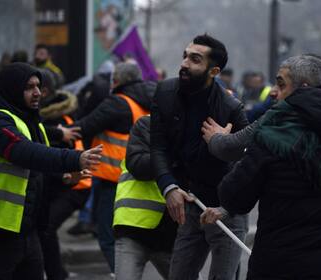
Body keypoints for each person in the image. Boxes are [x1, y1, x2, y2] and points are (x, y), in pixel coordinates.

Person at [200, 55, 321, 279]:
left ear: (303, 89)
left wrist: (219, 141)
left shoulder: (272, 135)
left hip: (279, 264)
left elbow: (234, 196)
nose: (273, 92)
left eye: (280, 84)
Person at [0, 62, 102, 280]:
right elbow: (24, 152)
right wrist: (74, 159)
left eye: (38, 86)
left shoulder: (31, 123)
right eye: (29, 87)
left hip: (27, 230)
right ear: (12, 88)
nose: (38, 92)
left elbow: (38, 171)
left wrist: (65, 178)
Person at [150, 34, 249, 280]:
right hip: (191, 204)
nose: (184, 63)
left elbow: (249, 163)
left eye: (195, 59)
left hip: (226, 209)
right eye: (185, 56)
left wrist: (224, 144)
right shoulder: (164, 92)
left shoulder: (231, 108)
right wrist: (169, 186)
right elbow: (158, 147)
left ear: (213, 71)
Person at [74, 62, 155, 273]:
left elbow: (84, 126)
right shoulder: (153, 99)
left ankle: (119, 274)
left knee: (109, 237)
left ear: (117, 81)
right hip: (148, 179)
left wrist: (58, 131)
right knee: (147, 240)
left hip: (114, 180)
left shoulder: (116, 103)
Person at [38, 70, 92, 280]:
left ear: (46, 91)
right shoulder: (42, 119)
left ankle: (57, 274)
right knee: (42, 229)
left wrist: (64, 178)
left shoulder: (62, 119)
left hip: (75, 186)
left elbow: (54, 158)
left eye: (36, 88)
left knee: (47, 228)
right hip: (58, 184)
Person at [113, 115, 177, 280]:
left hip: (171, 232)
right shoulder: (147, 123)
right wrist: (174, 154)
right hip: (134, 228)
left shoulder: (195, 128)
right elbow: (138, 166)